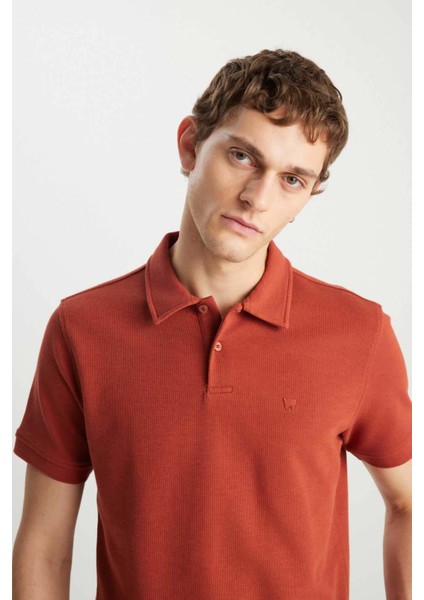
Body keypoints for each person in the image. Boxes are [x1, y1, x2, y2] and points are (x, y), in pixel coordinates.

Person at [13, 48, 412, 599]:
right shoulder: (82, 329)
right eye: (242, 157)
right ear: (190, 145)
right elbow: (45, 545)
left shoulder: (359, 334)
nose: (257, 199)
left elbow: (408, 503)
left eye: (292, 179)